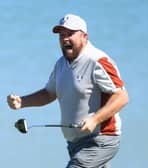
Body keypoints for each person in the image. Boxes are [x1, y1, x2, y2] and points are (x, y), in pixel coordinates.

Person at [7, 14, 129, 168]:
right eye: (61, 35)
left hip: (100, 140)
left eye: (70, 34)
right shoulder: (61, 64)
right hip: (74, 144)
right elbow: (49, 93)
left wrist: (95, 119)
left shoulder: (98, 61)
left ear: (84, 36)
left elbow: (121, 96)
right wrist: (22, 101)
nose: (65, 39)